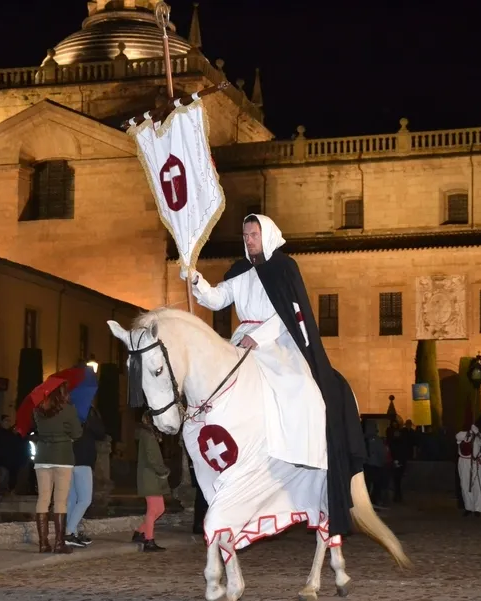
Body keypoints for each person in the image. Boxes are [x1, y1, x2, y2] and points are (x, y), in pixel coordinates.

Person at [187, 214, 366, 539]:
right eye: (245, 235)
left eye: (254, 234)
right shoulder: (240, 270)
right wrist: (196, 280)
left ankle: (304, 451)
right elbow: (217, 298)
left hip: (278, 340)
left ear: (266, 234)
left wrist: (259, 337)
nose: (249, 239)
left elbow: (290, 313)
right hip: (243, 338)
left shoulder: (284, 268)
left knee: (298, 386)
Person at [32, 387, 83, 554]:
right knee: (60, 500)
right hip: (62, 457)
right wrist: (67, 435)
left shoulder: (37, 410)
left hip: (42, 456)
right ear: (61, 393)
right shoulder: (68, 410)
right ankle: (59, 544)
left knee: (43, 498)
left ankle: (43, 543)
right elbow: (77, 433)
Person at [64, 405, 107, 548]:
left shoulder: (70, 417)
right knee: (85, 500)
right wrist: (93, 415)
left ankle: (73, 533)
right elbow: (101, 433)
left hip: (70, 462)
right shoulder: (88, 419)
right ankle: (69, 532)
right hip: (83, 462)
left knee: (72, 500)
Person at [133, 413, 170, 552]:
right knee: (154, 509)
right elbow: (152, 457)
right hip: (150, 476)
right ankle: (149, 540)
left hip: (151, 475)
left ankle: (140, 532)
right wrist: (163, 470)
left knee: (159, 509)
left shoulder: (148, 434)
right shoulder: (148, 435)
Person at [456, 406, 481, 516]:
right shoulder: (461, 434)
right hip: (464, 463)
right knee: (465, 485)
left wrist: (477, 433)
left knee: (477, 485)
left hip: (475, 463)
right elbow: (458, 437)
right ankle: (468, 507)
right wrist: (468, 433)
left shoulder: (477, 435)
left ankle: (478, 508)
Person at [363, 419, 389, 509]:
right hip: (375, 466)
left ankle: (367, 502)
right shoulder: (377, 440)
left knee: (367, 485)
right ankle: (375, 501)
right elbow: (382, 453)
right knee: (376, 485)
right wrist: (383, 462)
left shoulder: (363, 439)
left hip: (366, 466)